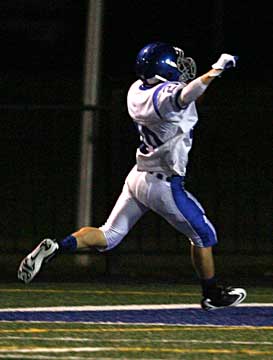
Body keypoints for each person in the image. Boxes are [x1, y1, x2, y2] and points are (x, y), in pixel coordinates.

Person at [18, 42, 247, 310]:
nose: (182, 66)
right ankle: (212, 293)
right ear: (163, 69)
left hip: (137, 177)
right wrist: (217, 69)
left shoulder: (136, 91)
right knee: (204, 236)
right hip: (163, 184)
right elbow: (185, 95)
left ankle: (57, 246)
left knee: (108, 235)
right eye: (176, 62)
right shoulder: (165, 97)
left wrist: (203, 82)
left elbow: (187, 98)